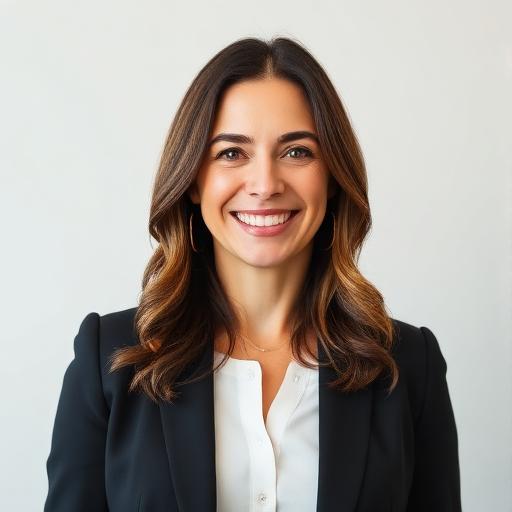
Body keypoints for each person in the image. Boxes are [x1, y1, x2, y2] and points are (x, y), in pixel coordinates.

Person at [44, 36, 461, 512]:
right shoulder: (110, 360)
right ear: (193, 180)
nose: (265, 184)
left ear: (332, 176)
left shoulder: (407, 366)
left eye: (297, 152)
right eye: (231, 153)